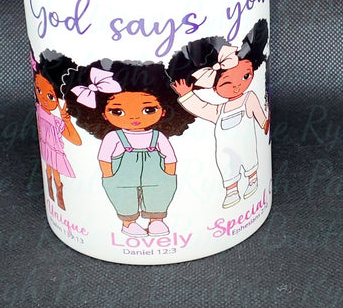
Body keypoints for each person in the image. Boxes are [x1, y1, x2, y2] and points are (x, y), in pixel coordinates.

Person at [63, 60, 194, 237]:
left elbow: (170, 157)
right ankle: (129, 223)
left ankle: (156, 220)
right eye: (118, 112)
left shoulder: (158, 137)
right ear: (103, 115)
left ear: (164, 111)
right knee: (124, 197)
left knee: (158, 194)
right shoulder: (113, 137)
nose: (134, 117)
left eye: (148, 110)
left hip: (157, 176)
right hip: (121, 178)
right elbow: (104, 158)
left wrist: (168, 175)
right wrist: (109, 176)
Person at [169, 20, 270, 209]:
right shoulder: (219, 110)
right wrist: (187, 95)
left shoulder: (248, 98)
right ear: (215, 88)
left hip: (245, 142)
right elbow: (202, 107)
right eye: (227, 83)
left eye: (245, 76)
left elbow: (258, 110)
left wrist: (264, 122)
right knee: (227, 167)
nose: (237, 85)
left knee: (250, 159)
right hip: (225, 149)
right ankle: (231, 190)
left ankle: (253, 179)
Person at [32, 51, 82, 210]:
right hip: (46, 146)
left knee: (55, 172)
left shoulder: (55, 121)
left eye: (51, 96)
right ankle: (54, 199)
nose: (43, 98)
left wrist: (66, 120)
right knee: (49, 169)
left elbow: (76, 140)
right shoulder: (41, 110)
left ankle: (59, 197)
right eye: (38, 90)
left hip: (54, 149)